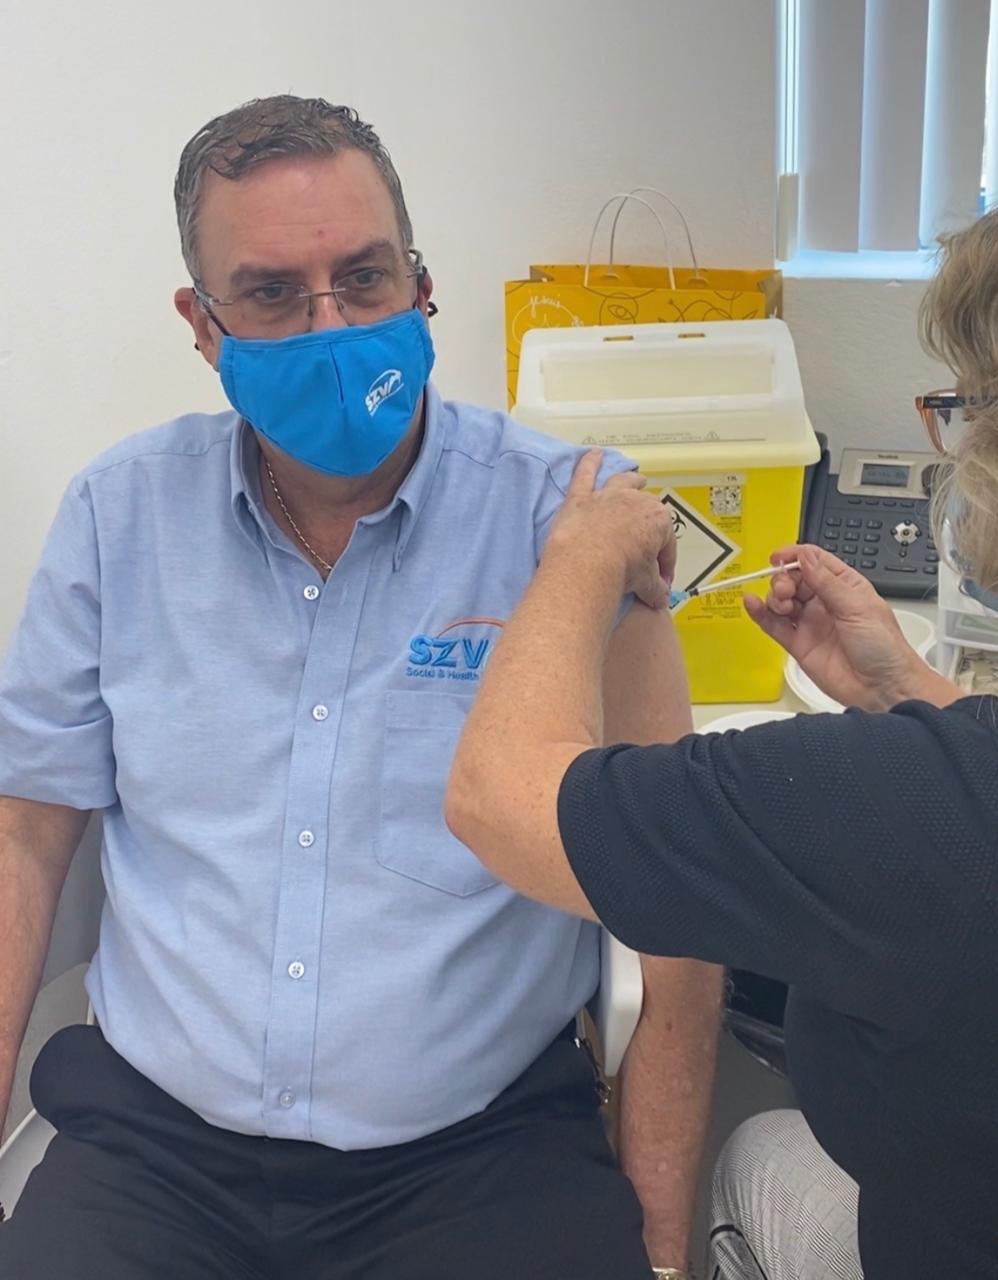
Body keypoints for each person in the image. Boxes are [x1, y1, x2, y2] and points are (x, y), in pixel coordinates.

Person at [0, 96, 723, 1279]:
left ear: (421, 284)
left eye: (364, 277)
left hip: (476, 1150)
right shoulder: (117, 518)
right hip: (158, 1146)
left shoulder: (571, 524)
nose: (331, 325)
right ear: (201, 325)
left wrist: (659, 1244)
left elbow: (676, 897)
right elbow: (23, 842)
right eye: (273, 293)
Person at [446, 214, 998, 1280]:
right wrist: (914, 693)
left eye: (964, 407)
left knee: (757, 1158)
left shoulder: (898, 805)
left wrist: (577, 561)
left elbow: (496, 797)